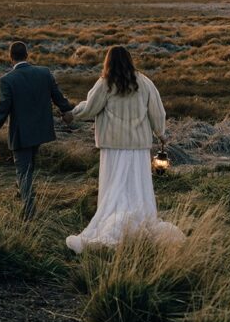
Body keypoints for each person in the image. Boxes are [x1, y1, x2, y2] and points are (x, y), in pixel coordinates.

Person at [65, 45, 183, 253]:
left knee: (114, 184)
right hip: (138, 146)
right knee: (136, 184)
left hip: (113, 146)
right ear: (130, 60)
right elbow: (157, 111)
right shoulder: (145, 82)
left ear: (108, 62)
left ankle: (115, 223)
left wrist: (73, 112)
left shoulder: (105, 84)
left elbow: (91, 107)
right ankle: (136, 221)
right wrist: (160, 133)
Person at [0, 41, 73, 219]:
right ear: (27, 55)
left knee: (23, 169)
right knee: (28, 167)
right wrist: (67, 111)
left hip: (22, 134)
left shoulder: (7, 80)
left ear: (10, 58)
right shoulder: (44, 73)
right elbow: (58, 97)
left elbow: (3, 107)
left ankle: (28, 212)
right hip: (40, 131)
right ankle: (24, 195)